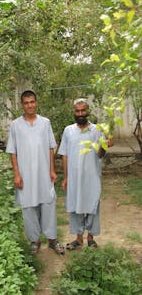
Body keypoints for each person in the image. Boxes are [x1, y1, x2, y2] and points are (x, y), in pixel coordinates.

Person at [6, 90, 64, 255]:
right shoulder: (15, 125)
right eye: (26, 102)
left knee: (48, 204)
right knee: (28, 206)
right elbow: (12, 151)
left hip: (44, 173)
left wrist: (52, 170)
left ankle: (52, 240)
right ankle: (35, 240)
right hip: (25, 175)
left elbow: (50, 147)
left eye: (32, 102)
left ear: (36, 102)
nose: (30, 105)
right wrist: (16, 174)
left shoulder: (45, 122)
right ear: (22, 105)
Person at [58, 98, 113, 250]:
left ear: (88, 112)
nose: (80, 113)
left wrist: (105, 146)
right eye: (78, 111)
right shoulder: (68, 130)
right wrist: (66, 177)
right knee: (74, 207)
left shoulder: (97, 130)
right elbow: (64, 155)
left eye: (83, 110)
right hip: (74, 178)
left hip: (92, 176)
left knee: (92, 205)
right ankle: (78, 238)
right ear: (73, 112)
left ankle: (90, 238)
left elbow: (100, 154)